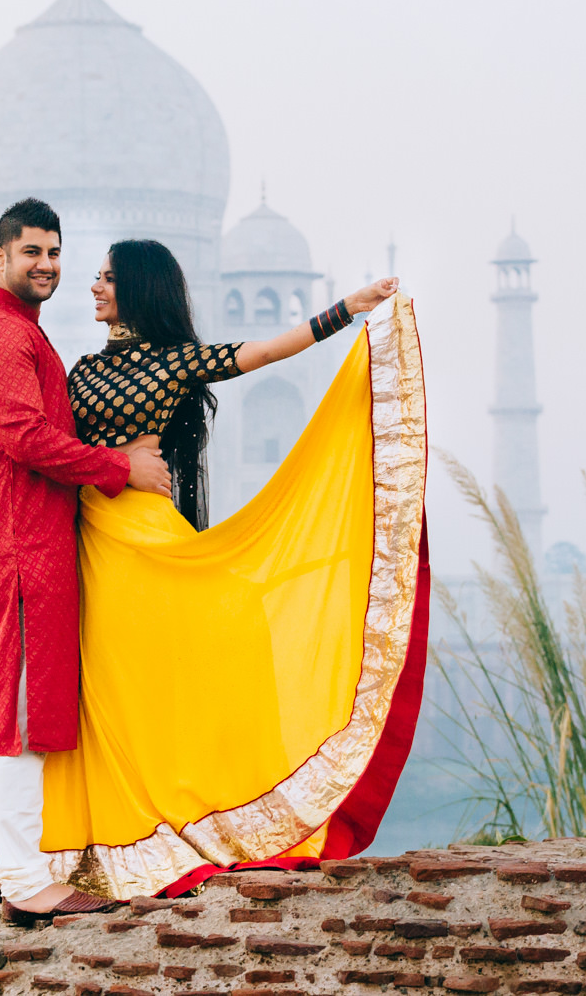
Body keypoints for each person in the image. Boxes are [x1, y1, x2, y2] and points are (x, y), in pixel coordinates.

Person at [39, 238, 431, 901]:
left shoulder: (174, 362)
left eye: (108, 278)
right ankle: (103, 842)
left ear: (138, 288)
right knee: (106, 688)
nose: (95, 287)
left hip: (149, 544)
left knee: (180, 665)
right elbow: (49, 439)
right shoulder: (79, 372)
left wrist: (349, 307)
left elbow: (267, 352)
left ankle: (198, 809)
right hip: (92, 544)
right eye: (97, 277)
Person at [0, 199, 173, 924]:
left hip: (9, 535)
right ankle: (25, 880)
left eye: (53, 252)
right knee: (22, 708)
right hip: (24, 542)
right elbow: (24, 438)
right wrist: (120, 466)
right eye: (31, 252)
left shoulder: (15, 331)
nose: (46, 265)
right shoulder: (4, 334)